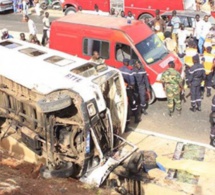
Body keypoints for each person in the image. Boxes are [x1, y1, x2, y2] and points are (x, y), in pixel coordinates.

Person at [120, 59, 141, 123]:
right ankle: (136, 118)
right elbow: (132, 83)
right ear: (127, 63)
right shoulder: (129, 72)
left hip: (121, 89)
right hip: (128, 89)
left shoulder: (119, 70)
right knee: (133, 103)